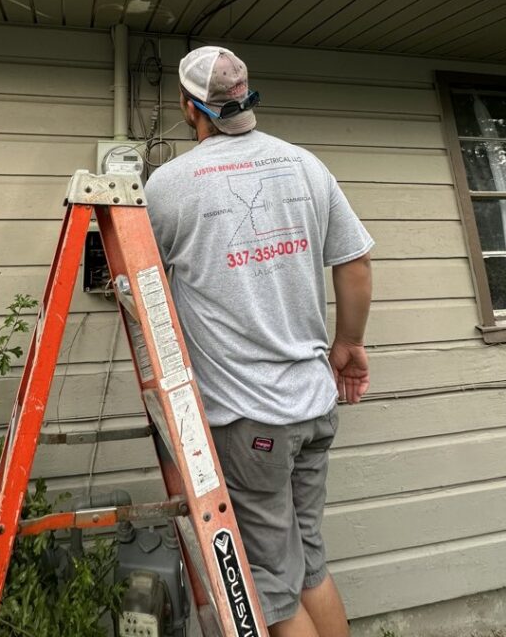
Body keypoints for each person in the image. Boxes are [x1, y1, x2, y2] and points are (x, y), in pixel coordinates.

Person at [144, 46, 373, 637]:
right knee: (310, 565)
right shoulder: (304, 165)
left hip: (252, 424)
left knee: (271, 586)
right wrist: (348, 345)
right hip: (315, 406)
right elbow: (354, 262)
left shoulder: (169, 186)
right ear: (247, 96)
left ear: (188, 107)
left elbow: (141, 284)